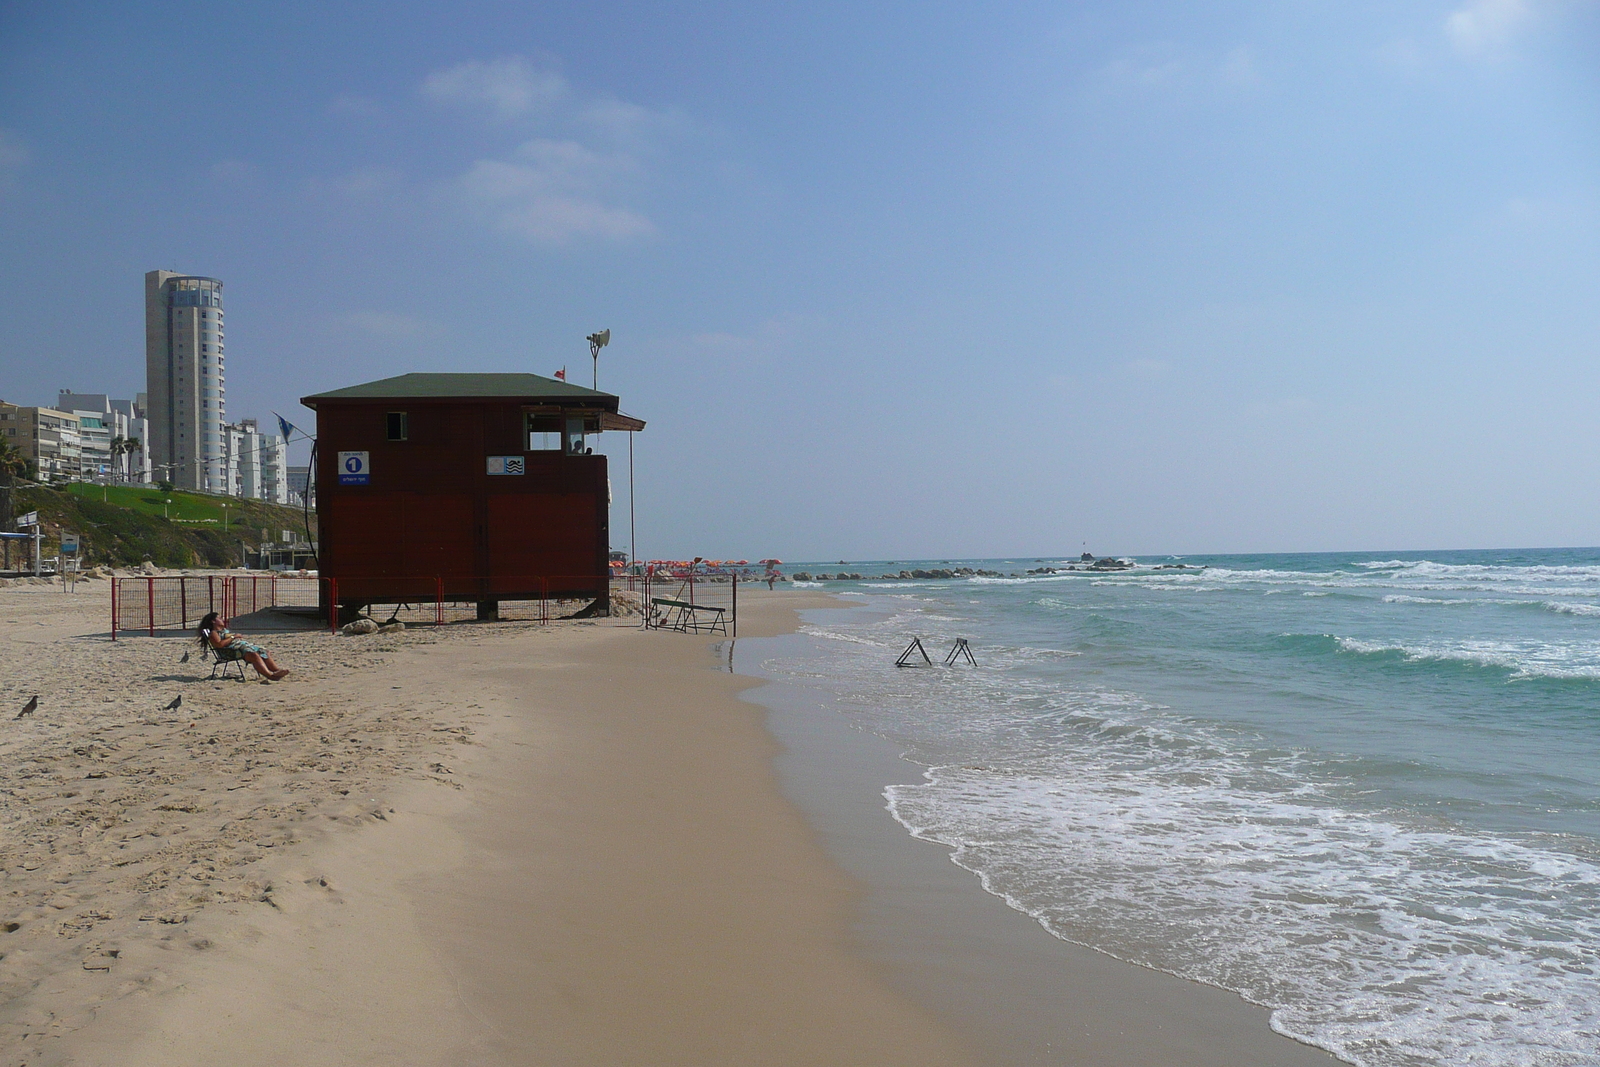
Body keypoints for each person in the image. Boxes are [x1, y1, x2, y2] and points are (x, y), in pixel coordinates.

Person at [196, 611, 290, 681]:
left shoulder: (224, 631)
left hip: (239, 648)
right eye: (219, 618)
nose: (222, 620)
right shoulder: (214, 633)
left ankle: (277, 670)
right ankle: (270, 675)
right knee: (254, 655)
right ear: (213, 621)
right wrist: (233, 637)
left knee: (264, 652)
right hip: (230, 652)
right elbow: (219, 645)